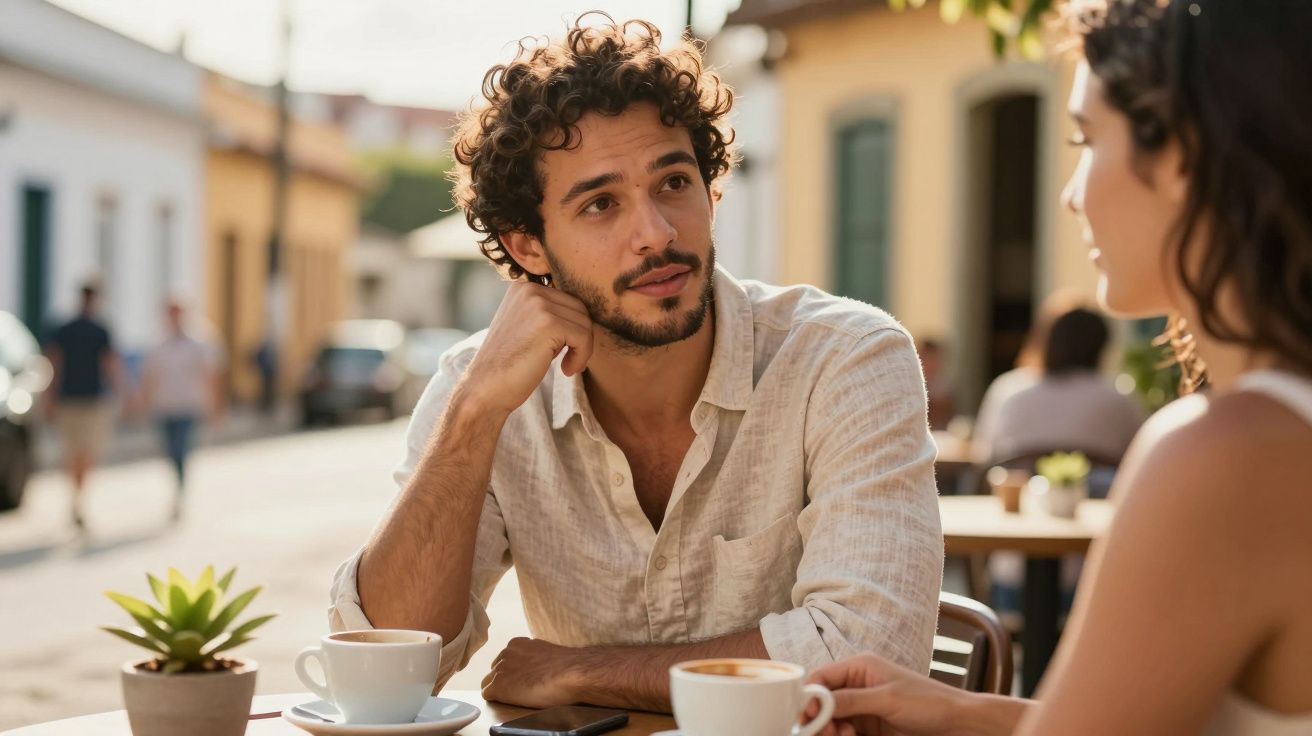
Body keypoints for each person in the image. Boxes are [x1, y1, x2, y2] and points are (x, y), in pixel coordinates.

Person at [329, 15, 943, 712]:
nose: (655, 233)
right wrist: (472, 418)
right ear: (528, 247)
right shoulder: (487, 390)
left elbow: (867, 654)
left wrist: (584, 673)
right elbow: (383, 671)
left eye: (674, 182)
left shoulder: (847, 359)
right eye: (600, 204)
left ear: (712, 193)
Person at [806, 1, 1312, 734]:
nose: (1071, 196)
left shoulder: (1224, 458)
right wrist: (953, 707)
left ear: (1179, 154)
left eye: (1085, 139)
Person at [975, 305, 1144, 468]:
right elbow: (1139, 455)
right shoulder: (1118, 396)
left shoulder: (1008, 388)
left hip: (1020, 494)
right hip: (1099, 495)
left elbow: (985, 452)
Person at [139, 299, 225, 521]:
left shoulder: (200, 341)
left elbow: (211, 376)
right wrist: (144, 404)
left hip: (189, 406)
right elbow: (149, 377)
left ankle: (180, 492)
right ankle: (177, 486)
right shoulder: (158, 342)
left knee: (181, 450)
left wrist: (216, 408)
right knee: (170, 451)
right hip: (165, 406)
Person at [44, 282, 121, 529]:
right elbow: (109, 365)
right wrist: (122, 393)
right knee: (81, 452)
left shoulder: (76, 328)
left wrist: (49, 397)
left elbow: (53, 365)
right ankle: (78, 496)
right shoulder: (89, 329)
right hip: (85, 400)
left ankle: (77, 498)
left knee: (77, 451)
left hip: (79, 399)